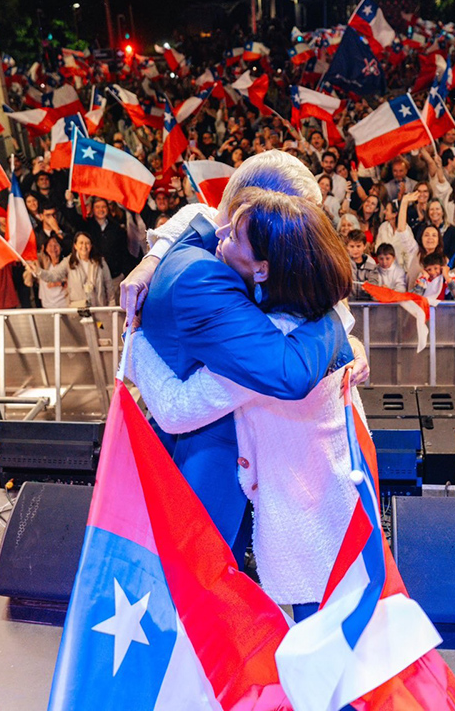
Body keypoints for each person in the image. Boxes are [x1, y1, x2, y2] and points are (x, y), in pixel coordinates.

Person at [123, 189, 359, 618]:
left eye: (235, 238)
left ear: (264, 270)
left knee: (318, 627)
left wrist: (133, 343)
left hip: (308, 506)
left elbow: (177, 409)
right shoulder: (301, 308)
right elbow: (199, 213)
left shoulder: (267, 338)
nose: (221, 234)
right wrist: (151, 258)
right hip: (316, 491)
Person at [347, 230, 378, 299]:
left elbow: (374, 286)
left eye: (358, 246)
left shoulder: (371, 263)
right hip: (348, 305)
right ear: (347, 247)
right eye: (352, 246)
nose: (355, 250)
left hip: (366, 305)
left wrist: (369, 288)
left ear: (364, 246)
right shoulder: (343, 263)